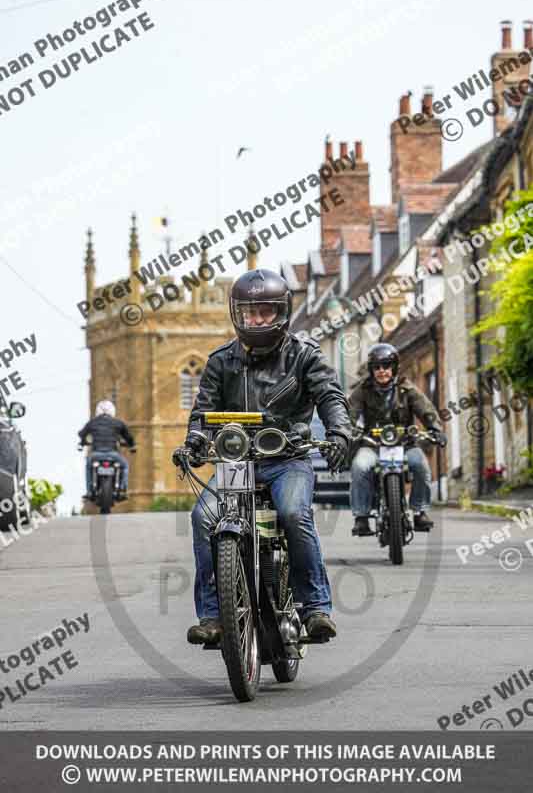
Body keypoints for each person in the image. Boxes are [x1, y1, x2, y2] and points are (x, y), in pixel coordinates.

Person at [177, 268, 352, 645]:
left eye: (264, 311)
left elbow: (330, 396)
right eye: (249, 312)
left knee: (292, 513)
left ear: (282, 311)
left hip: (288, 459)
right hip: (236, 463)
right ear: (236, 313)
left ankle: (315, 608)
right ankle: (213, 616)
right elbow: (202, 413)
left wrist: (339, 433)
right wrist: (194, 442)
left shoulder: (304, 355)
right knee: (203, 518)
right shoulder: (221, 360)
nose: (256, 320)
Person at [348, 343, 446, 536]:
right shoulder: (362, 390)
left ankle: (420, 512)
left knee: (421, 466)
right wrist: (346, 432)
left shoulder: (406, 388)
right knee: (359, 466)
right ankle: (361, 517)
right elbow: (349, 414)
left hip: (405, 443)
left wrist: (436, 429)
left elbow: (426, 409)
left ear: (394, 368)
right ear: (371, 370)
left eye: (386, 366)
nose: (382, 371)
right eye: (377, 367)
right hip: (372, 444)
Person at [78, 400, 135, 499]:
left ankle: (89, 491)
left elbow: (81, 433)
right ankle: (123, 489)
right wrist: (132, 445)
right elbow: (128, 436)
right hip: (113, 454)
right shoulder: (118, 423)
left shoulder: (93, 422)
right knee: (125, 465)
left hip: (96, 454)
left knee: (88, 466)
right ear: (112, 411)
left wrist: (82, 443)